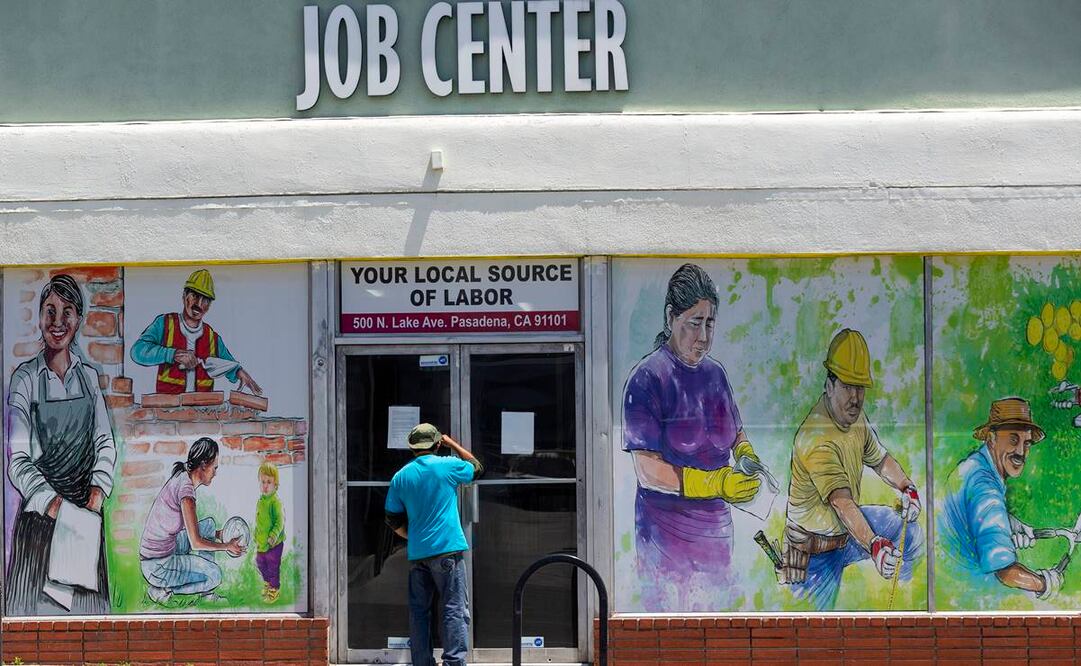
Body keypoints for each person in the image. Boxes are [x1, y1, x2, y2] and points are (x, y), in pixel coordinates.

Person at [621, 263, 761, 611]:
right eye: (694, 323)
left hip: (716, 537)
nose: (703, 336)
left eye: (709, 323)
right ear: (672, 318)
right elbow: (647, 471)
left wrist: (746, 455)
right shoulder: (647, 379)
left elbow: (735, 432)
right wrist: (714, 484)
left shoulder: (716, 375)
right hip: (665, 542)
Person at [782, 328, 924, 610]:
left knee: (909, 532)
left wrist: (908, 488)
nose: (855, 397)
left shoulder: (855, 419)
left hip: (845, 535)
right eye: (847, 386)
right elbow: (843, 503)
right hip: (815, 553)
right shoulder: (816, 437)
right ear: (830, 385)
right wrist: (874, 545)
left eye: (860, 387)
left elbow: (881, 460)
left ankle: (907, 607)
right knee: (813, 633)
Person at [5, 274, 116, 615]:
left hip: (84, 519)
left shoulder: (89, 378)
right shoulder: (24, 380)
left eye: (67, 312)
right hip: (40, 524)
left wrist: (96, 494)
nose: (57, 322)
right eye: (50, 311)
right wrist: (54, 506)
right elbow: (17, 460)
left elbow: (105, 442)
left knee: (90, 627)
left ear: (78, 320)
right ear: (40, 318)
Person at [938, 397, 1060, 600]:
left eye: (1027, 442)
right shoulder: (984, 487)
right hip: (965, 594)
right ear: (991, 438)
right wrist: (1045, 583)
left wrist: (1010, 523)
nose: (1021, 452)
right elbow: (1005, 571)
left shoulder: (975, 467)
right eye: (1013, 439)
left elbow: (973, 517)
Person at [384, 424, 483, 666]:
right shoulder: (447, 466)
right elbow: (477, 468)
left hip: (418, 554)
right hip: (447, 550)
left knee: (419, 612)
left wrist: (411, 536)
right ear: (437, 444)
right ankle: (453, 662)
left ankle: (422, 662)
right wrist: (453, 445)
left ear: (412, 447)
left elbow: (392, 518)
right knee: (454, 609)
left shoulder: (401, 476)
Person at [139, 437, 245, 605]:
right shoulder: (186, 493)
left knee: (209, 524)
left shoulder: (183, 477)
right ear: (203, 465)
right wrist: (226, 546)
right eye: (214, 467)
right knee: (215, 575)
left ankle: (206, 593)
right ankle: (163, 590)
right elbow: (195, 542)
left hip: (166, 549)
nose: (215, 473)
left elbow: (193, 531)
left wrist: (221, 535)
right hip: (158, 566)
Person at [129, 268, 262, 395]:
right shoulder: (165, 323)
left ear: (209, 306)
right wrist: (172, 354)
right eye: (195, 296)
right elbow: (137, 352)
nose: (199, 303)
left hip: (202, 412)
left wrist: (240, 372)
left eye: (205, 300)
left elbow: (229, 365)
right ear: (184, 296)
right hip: (168, 410)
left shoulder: (212, 337)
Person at [254, 461, 286, 603]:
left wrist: (273, 535)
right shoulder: (261, 501)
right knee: (260, 562)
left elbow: (280, 521)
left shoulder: (275, 502)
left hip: (274, 543)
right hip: (262, 542)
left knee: (273, 565)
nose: (265, 485)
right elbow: (260, 522)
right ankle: (267, 582)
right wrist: (256, 535)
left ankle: (274, 588)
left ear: (276, 484)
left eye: (269, 482)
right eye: (263, 482)